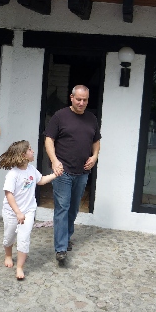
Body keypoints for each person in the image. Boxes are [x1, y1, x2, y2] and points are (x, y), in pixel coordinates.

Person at [44, 85, 101, 263]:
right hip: (62, 170)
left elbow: (96, 141)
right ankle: (61, 248)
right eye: (78, 99)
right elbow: (49, 139)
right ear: (71, 98)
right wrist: (54, 161)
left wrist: (95, 156)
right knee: (62, 207)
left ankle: (66, 237)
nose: (81, 103)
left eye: (85, 100)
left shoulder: (91, 118)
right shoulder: (60, 116)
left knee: (73, 207)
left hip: (82, 171)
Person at [0, 140, 57, 280]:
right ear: (23, 154)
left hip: (28, 211)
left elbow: (40, 180)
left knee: (24, 238)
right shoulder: (13, 174)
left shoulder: (31, 169)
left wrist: (55, 175)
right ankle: (8, 255)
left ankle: (20, 267)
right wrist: (17, 212)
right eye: (30, 149)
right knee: (9, 237)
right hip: (12, 212)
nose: (33, 151)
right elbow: (9, 194)